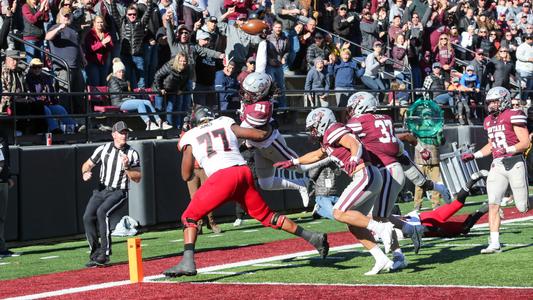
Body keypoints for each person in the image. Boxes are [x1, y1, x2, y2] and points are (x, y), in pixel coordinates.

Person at [163, 106, 328, 277]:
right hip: (242, 172)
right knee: (267, 216)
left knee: (189, 217)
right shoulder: (225, 122)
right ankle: (313, 237)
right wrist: (269, 124)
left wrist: (191, 149)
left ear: (194, 123)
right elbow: (259, 135)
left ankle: (188, 261)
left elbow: (185, 175)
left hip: (222, 177)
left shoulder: (190, 135)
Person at [275, 108, 397, 276]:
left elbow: (354, 143)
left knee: (338, 212)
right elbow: (317, 155)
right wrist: (293, 161)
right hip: (369, 176)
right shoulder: (328, 140)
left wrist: (354, 157)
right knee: (353, 225)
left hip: (364, 174)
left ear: (322, 122)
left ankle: (381, 228)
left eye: (313, 127)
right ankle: (381, 259)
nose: (312, 132)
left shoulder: (333, 130)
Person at [462, 87, 530, 254]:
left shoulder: (513, 115)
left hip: (515, 163)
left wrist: (508, 149)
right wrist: (475, 155)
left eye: (494, 101)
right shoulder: (488, 121)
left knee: (522, 207)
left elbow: (525, 142)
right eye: (489, 102)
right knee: (493, 203)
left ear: (504, 100)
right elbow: (492, 145)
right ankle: (494, 242)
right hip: (498, 164)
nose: (491, 105)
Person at [345, 92, 408, 270]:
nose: (351, 112)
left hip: (386, 169)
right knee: (378, 216)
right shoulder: (386, 118)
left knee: (380, 217)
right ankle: (404, 241)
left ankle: (399, 253)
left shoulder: (360, 121)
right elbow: (391, 144)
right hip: (387, 169)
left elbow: (344, 135)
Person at [81, 121, 141, 266]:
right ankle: (94, 253)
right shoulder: (104, 149)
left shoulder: (132, 153)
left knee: (103, 212)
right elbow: (87, 164)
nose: (124, 135)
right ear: (114, 134)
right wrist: (85, 173)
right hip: (102, 189)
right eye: (121, 133)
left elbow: (137, 178)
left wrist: (126, 167)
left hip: (119, 191)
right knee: (87, 217)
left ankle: (105, 253)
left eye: (126, 132)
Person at [108, 58, 171, 130]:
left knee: (147, 102)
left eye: (123, 72)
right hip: (119, 102)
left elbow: (129, 92)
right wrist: (130, 95)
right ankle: (149, 123)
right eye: (119, 72)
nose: (121, 74)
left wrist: (131, 94)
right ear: (115, 72)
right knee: (140, 103)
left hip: (126, 100)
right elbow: (119, 94)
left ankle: (159, 122)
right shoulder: (112, 80)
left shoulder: (125, 80)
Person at [0, 135, 15, 257]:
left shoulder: (3, 137)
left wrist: (8, 176)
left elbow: (3, 161)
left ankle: (1, 247)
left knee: (1, 217)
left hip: (3, 180)